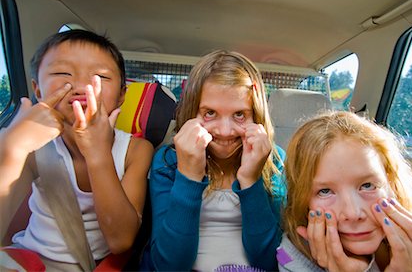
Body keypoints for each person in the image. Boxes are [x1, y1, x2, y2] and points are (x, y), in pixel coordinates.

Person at [0, 30, 153, 270]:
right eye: (62, 73)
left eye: (100, 76)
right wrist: (13, 149)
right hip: (28, 259)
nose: (81, 86)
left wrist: (98, 153)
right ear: (38, 89)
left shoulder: (136, 150)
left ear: (122, 94)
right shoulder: (31, 146)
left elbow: (121, 241)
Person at [140, 50, 285, 271]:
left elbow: (270, 260)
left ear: (256, 116)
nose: (225, 132)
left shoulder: (274, 160)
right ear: (191, 112)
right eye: (209, 113)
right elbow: (169, 266)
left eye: (239, 115)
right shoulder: (168, 161)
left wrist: (251, 179)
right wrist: (188, 176)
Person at [278, 111, 412, 272]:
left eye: (367, 186)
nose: (353, 213)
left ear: (392, 183)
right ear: (303, 200)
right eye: (324, 191)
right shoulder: (291, 258)